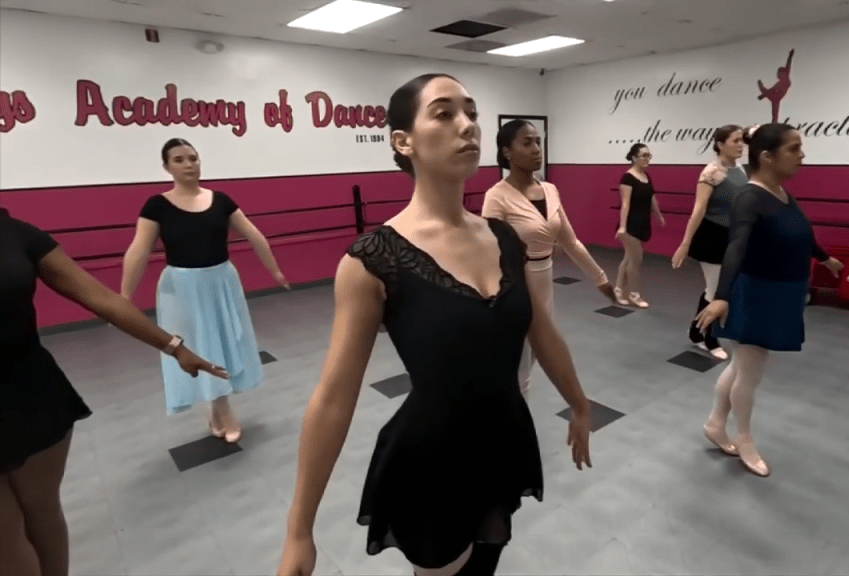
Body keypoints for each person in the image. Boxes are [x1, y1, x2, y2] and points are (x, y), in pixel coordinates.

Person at [276, 73, 593, 576]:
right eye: (444, 114)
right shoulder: (373, 260)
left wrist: (579, 403)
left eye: (472, 113)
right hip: (433, 462)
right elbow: (333, 397)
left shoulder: (504, 238)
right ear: (404, 141)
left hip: (502, 441)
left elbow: (542, 330)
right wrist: (299, 530)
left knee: (486, 562)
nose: (467, 125)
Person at [0, 206, 227, 576]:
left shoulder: (18, 234)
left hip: (31, 395)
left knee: (41, 511)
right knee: (5, 533)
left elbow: (100, 298)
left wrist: (174, 347)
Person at [695, 123, 843, 477]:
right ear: (767, 156)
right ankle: (744, 438)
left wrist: (825, 259)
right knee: (750, 373)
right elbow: (736, 246)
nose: (802, 155)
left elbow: (802, 233)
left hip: (781, 293)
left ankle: (715, 424)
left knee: (740, 367)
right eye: (794, 148)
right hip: (756, 293)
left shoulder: (780, 193)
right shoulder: (749, 197)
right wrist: (721, 297)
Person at [120, 138, 289, 443]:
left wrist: (275, 270)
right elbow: (138, 250)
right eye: (179, 160)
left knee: (224, 343)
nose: (189, 165)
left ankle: (215, 409)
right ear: (166, 167)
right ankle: (225, 411)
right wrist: (124, 296)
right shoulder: (157, 206)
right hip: (182, 287)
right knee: (200, 347)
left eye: (193, 158)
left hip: (222, 281)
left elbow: (253, 234)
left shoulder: (221, 200)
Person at [482, 119, 616, 399]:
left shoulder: (550, 190)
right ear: (507, 151)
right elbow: (488, 253)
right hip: (514, 288)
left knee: (534, 356)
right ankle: (514, 422)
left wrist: (601, 280)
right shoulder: (497, 197)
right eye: (527, 143)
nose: (536, 149)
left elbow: (571, 242)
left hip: (544, 286)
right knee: (520, 368)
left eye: (538, 142)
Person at [671, 125, 748, 361]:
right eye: (735, 141)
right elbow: (699, 209)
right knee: (716, 291)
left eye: (741, 140)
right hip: (712, 238)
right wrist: (685, 244)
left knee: (717, 289)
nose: (740, 145)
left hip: (733, 236)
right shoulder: (711, 173)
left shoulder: (740, 169)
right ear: (720, 145)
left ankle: (696, 332)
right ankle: (710, 338)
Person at [614, 143, 665, 308]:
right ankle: (634, 294)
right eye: (644, 155)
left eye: (649, 155)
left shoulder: (646, 176)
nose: (647, 158)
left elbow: (652, 199)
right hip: (630, 225)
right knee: (636, 260)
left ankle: (618, 290)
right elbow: (625, 204)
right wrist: (622, 227)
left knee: (628, 259)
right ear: (634, 157)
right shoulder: (627, 178)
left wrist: (658, 215)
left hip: (643, 222)